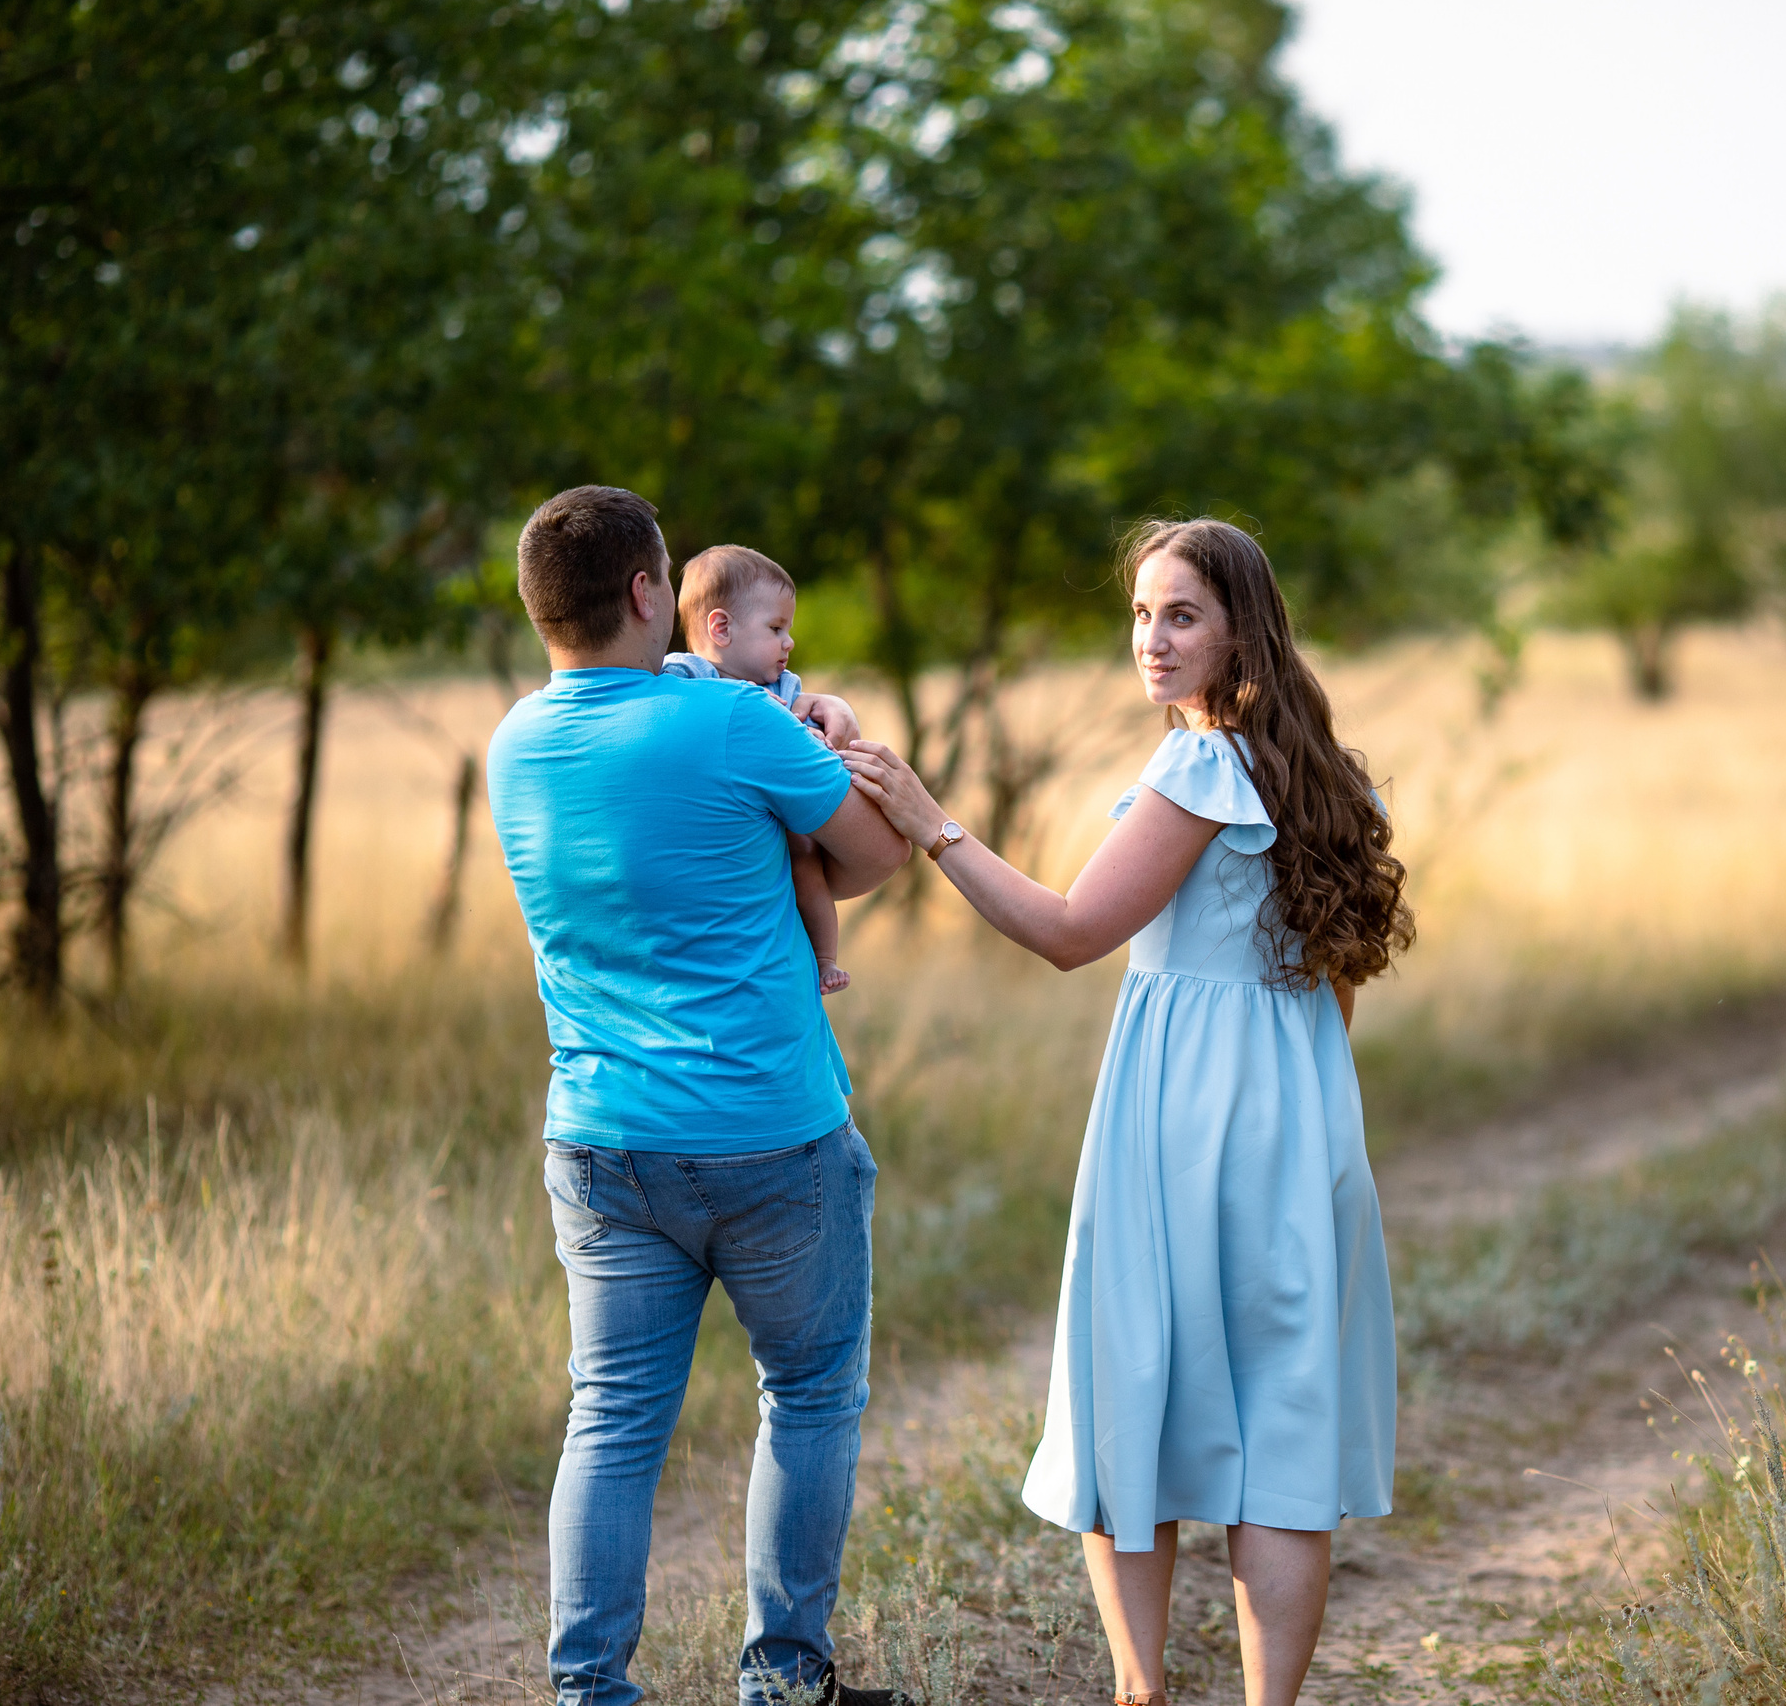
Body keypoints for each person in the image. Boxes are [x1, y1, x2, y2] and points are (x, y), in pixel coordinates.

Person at [841, 517, 1412, 1706]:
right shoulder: (1319, 774)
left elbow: (1066, 935)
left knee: (1131, 1393)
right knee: (1282, 1429)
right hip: (1302, 1127)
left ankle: (1140, 1693)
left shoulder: (1199, 767)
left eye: (1181, 615)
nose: (1151, 639)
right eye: (1142, 613)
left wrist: (927, 820)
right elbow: (1335, 993)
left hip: (1180, 1125)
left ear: (1240, 630)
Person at [485, 486, 912, 1706]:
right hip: (770, 1129)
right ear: (643, 595)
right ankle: (782, 1683)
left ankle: (589, 1691)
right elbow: (880, 856)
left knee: (612, 1422)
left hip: (603, 1136)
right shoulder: (729, 726)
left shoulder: (516, 742)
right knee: (812, 1397)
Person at [664, 543, 852, 994]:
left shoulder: (784, 686)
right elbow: (668, 709)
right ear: (721, 627)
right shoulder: (686, 674)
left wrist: (825, 724)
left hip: (783, 814)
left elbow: (811, 740)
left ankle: (825, 960)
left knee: (806, 859)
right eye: (775, 627)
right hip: (720, 822)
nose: (789, 642)